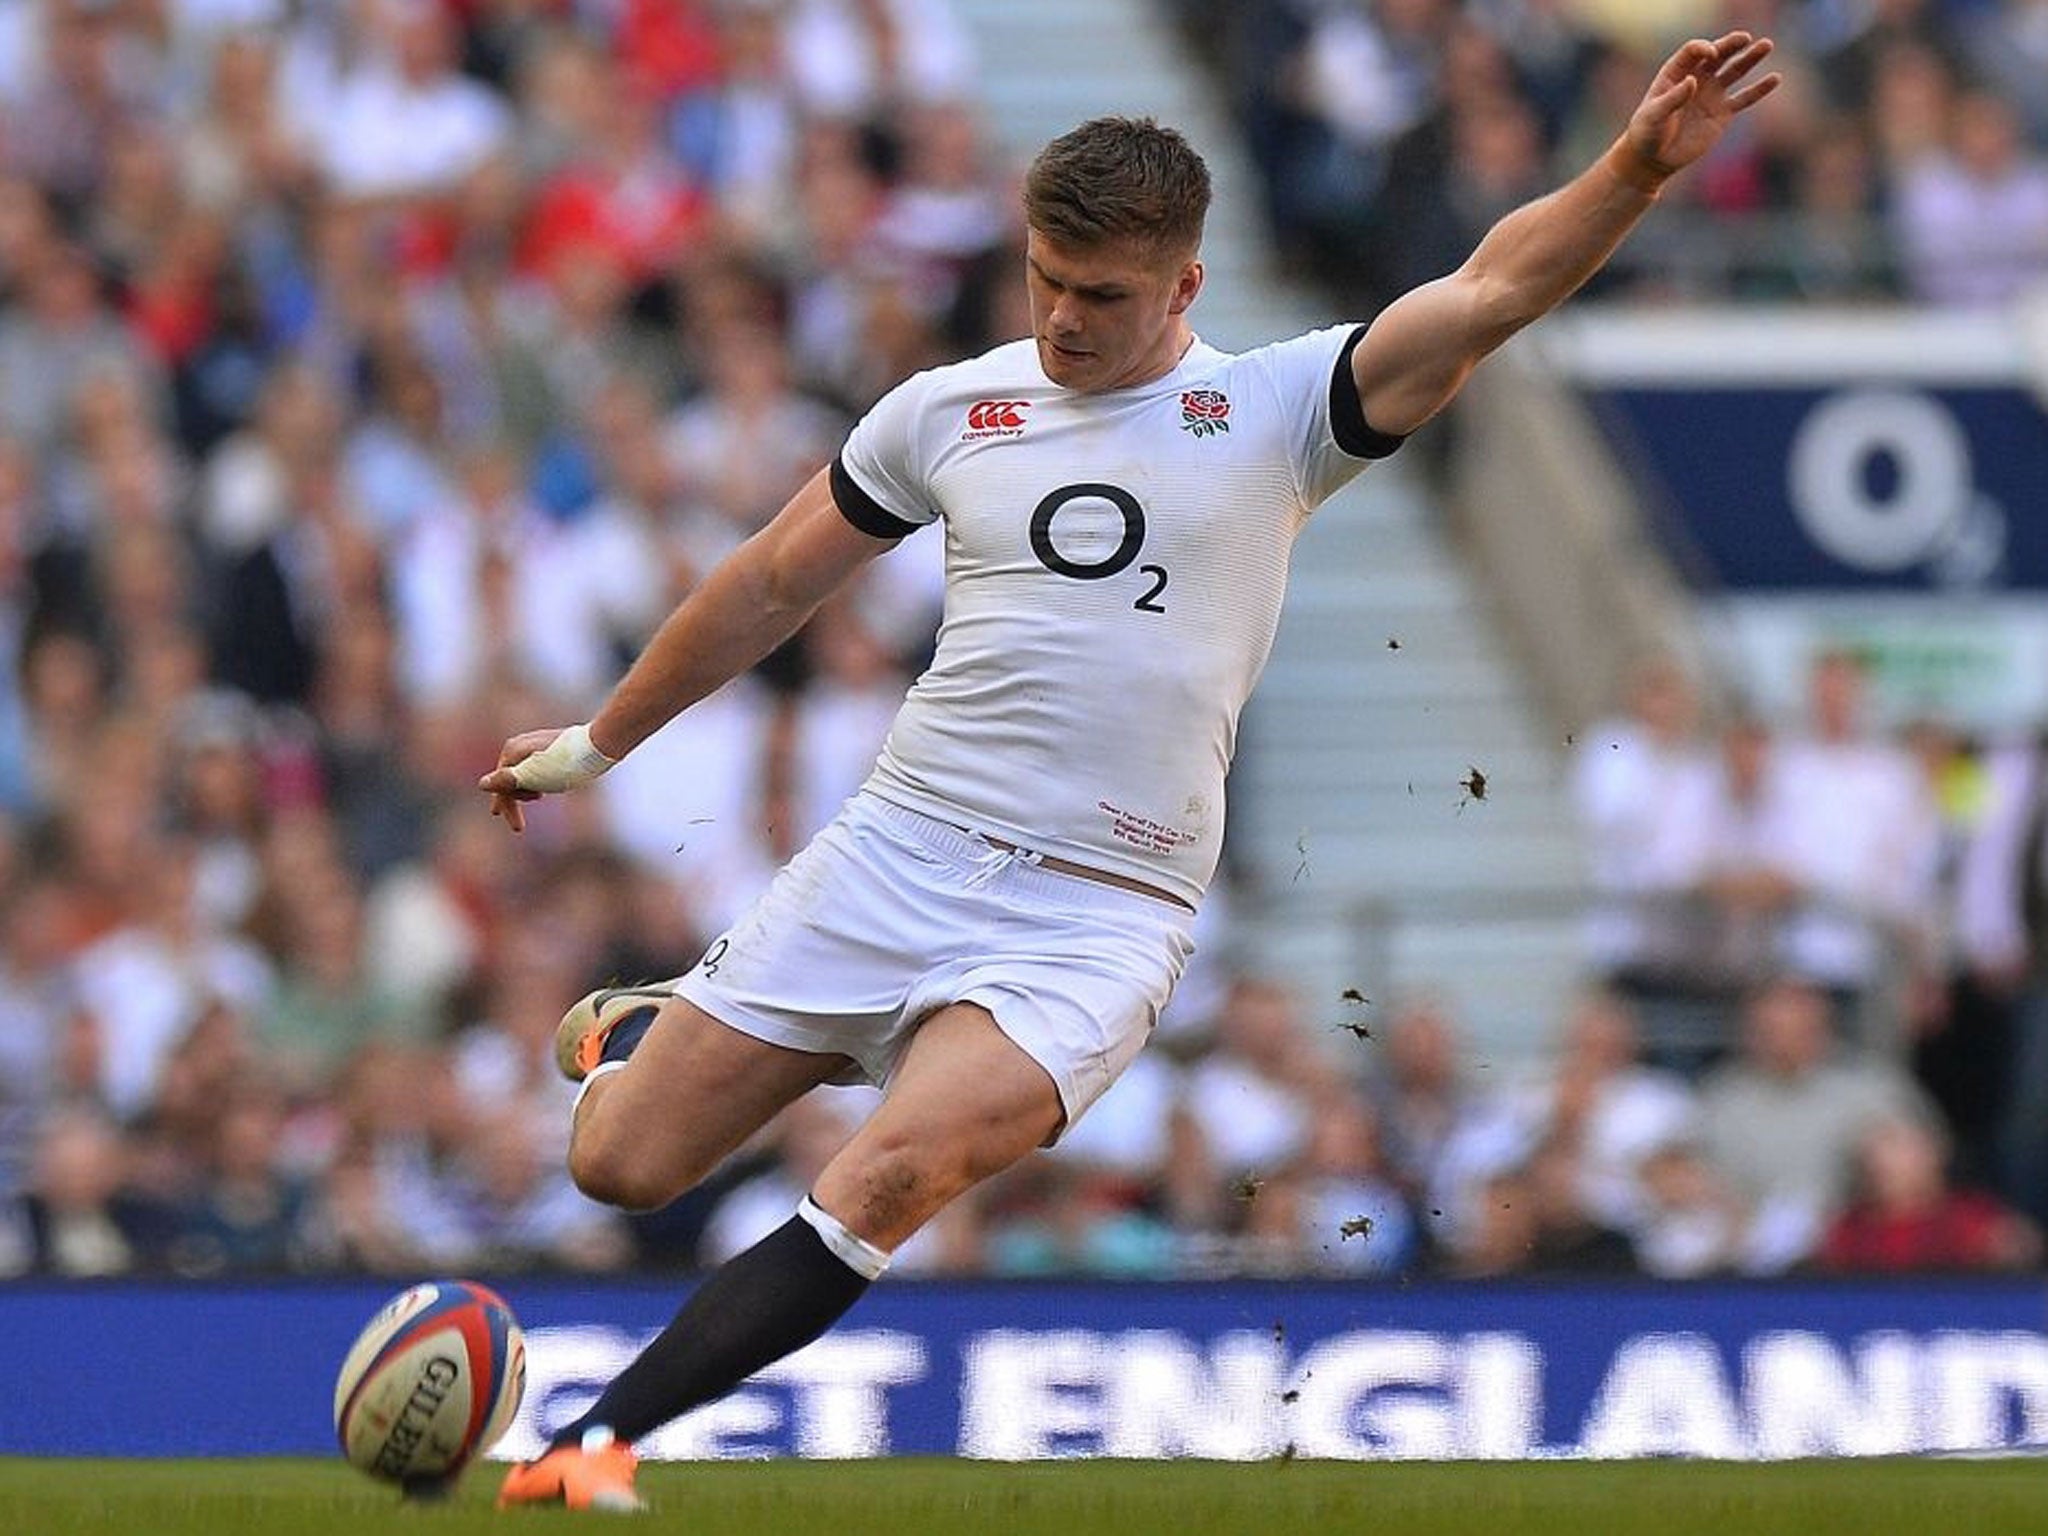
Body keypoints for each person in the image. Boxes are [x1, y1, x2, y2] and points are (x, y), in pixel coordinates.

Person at [478, 32, 1781, 1511]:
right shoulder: (947, 412)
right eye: (1044, 278)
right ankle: (651, 1038)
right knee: (621, 1168)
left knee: (898, 1175)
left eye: (1100, 295)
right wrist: (599, 743)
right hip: (901, 846)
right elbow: (774, 583)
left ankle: (599, 1438)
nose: (1061, 319)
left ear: (1185, 289)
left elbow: (1489, 290)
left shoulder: (1281, 413)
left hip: (1101, 910)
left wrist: (1633, 167)